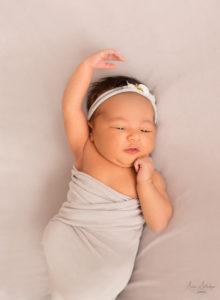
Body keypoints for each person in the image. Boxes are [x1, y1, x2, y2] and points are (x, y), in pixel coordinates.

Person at [41, 48, 173, 300]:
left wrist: (145, 183)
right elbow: (70, 107)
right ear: (92, 130)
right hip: (70, 232)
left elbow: (159, 221)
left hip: (108, 253)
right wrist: (87, 67)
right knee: (81, 289)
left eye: (145, 130)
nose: (134, 135)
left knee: (99, 282)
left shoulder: (150, 175)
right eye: (120, 127)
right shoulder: (86, 150)